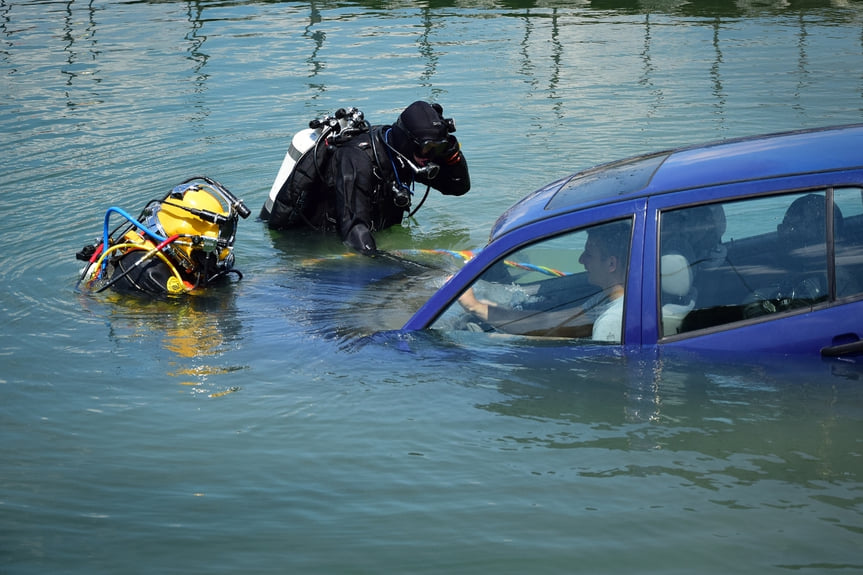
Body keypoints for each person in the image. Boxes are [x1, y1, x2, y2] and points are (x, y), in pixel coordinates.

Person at [264, 101, 470, 254]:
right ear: (408, 142)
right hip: (318, 245)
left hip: (376, 235)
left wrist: (452, 155)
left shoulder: (409, 157)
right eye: (427, 148)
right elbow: (354, 233)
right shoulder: (357, 159)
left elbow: (458, 187)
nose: (430, 156)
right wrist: (402, 268)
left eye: (438, 148)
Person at [76, 177, 249, 296]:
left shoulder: (186, 257)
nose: (223, 250)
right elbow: (193, 312)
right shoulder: (146, 270)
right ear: (190, 240)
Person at [458, 221, 629, 341]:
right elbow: (552, 322)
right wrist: (481, 308)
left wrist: (475, 306)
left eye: (589, 255)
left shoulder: (611, 321)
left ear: (611, 264)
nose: (581, 260)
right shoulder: (610, 298)